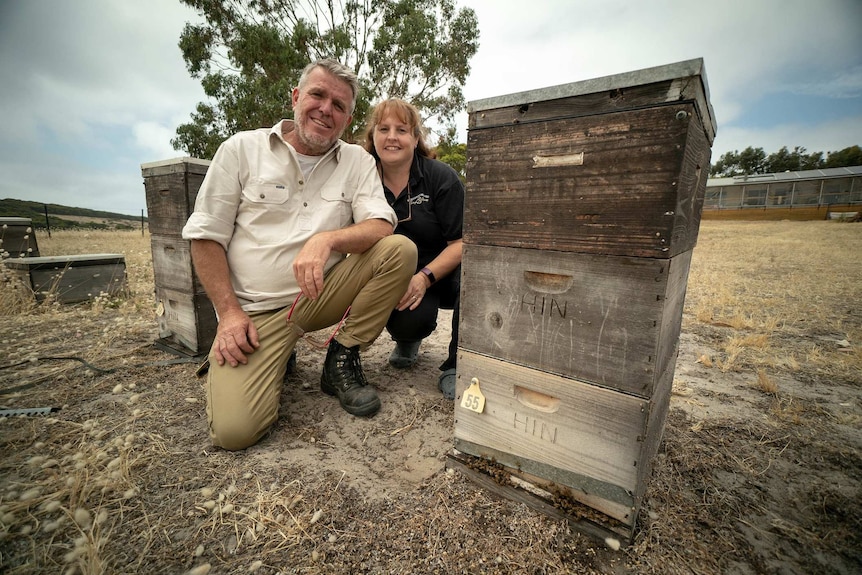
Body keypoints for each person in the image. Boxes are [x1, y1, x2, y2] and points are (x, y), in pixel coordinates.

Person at [182, 60, 418, 451]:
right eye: (317, 95)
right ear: (295, 97)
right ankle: (272, 355)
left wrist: (326, 240)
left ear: (347, 118)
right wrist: (229, 314)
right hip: (254, 311)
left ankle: (342, 357)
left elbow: (380, 223)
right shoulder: (241, 149)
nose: (327, 109)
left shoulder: (357, 161)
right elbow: (205, 236)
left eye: (339, 105)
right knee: (235, 432)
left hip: (318, 296)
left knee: (398, 250)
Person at [362, 98, 464, 399]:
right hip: (395, 275)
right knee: (411, 323)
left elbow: (462, 243)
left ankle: (456, 365)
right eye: (383, 128)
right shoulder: (362, 180)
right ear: (373, 138)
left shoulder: (440, 177)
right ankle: (407, 339)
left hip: (442, 271)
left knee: (475, 283)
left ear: (415, 138)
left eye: (402, 129)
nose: (392, 136)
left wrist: (423, 278)